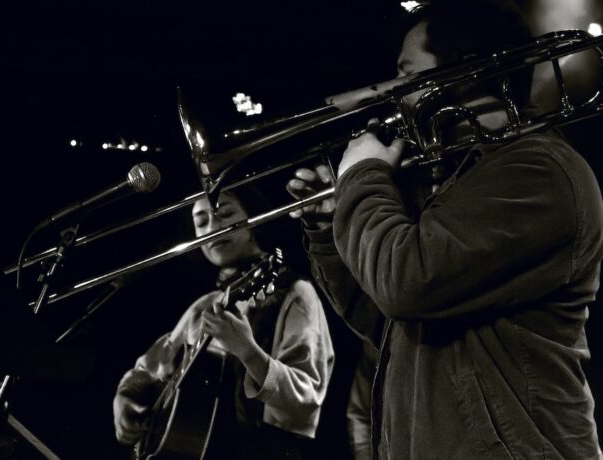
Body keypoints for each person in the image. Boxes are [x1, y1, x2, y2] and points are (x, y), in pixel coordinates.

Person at [286, 0, 603, 458]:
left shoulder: (537, 171)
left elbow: (406, 283)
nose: (394, 94)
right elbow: (384, 320)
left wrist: (362, 176)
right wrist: (329, 225)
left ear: (462, 73)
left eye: (407, 74)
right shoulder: (457, 177)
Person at [112, 188, 335, 460]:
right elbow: (152, 366)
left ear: (253, 219)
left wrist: (248, 352)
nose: (212, 228)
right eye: (201, 222)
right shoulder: (205, 305)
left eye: (224, 213)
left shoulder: (294, 292)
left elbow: (307, 396)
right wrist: (125, 396)